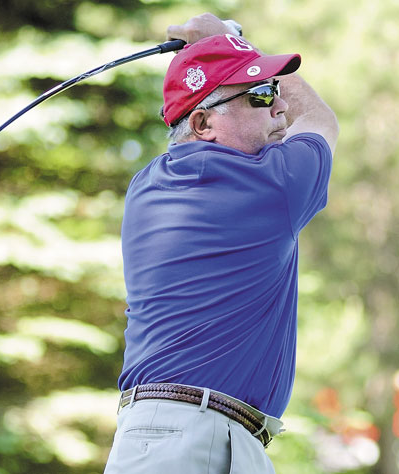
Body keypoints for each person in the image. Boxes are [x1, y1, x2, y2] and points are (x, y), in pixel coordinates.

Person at [104, 12, 339, 474]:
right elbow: (319, 119)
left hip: (176, 438)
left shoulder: (146, 185)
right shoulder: (272, 185)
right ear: (204, 122)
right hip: (193, 439)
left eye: (272, 91)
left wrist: (227, 56)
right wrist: (230, 41)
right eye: (260, 94)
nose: (280, 107)